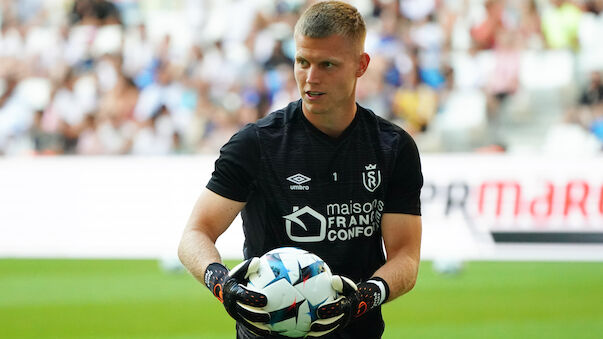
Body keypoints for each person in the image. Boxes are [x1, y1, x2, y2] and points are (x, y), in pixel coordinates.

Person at [178, 2, 423, 338]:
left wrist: (363, 298)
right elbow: (195, 234)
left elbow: (406, 257)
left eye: (328, 65)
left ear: (361, 65)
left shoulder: (394, 148)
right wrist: (222, 284)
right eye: (302, 62)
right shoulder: (256, 143)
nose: (311, 78)